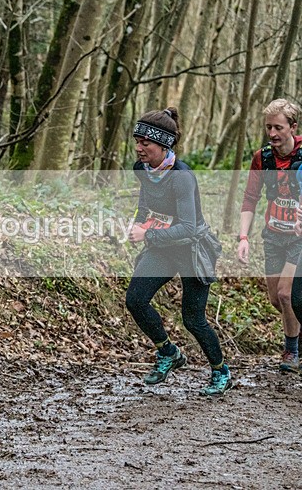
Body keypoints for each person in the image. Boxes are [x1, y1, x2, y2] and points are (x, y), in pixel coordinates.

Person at [125, 107, 232, 395]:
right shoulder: (142, 169)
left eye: (145, 143)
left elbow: (188, 227)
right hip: (162, 248)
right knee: (135, 299)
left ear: (164, 144)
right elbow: (145, 203)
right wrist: (138, 223)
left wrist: (148, 233)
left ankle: (221, 371)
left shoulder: (182, 176)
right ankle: (168, 352)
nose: (139, 148)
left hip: (191, 250)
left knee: (193, 319)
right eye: (137, 141)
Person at [238, 99, 302, 374]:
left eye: (278, 127)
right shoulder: (262, 158)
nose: (272, 133)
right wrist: (243, 237)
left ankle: (292, 351)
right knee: (277, 299)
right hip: (273, 235)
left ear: (293, 127)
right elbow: (250, 198)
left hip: (299, 238)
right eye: (268, 128)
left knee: (287, 294)